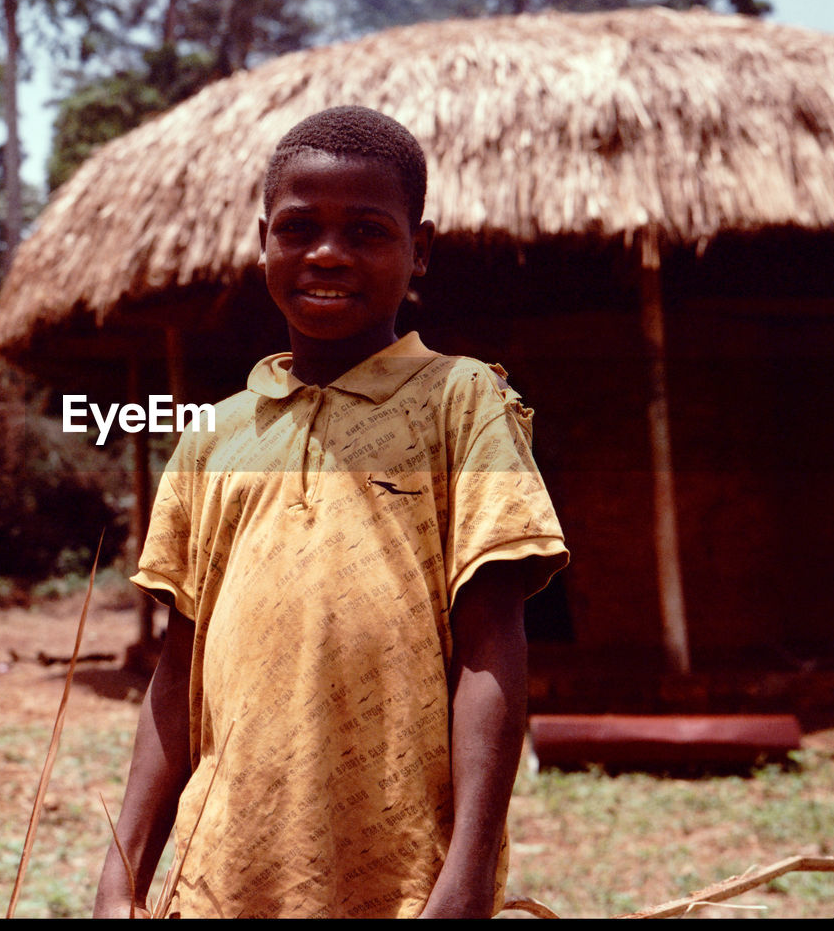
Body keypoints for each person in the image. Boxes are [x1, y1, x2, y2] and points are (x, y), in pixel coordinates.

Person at [92, 106, 569, 918]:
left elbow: (494, 648)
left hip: (401, 873)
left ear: (420, 250)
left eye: (367, 232)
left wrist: (464, 875)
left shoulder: (461, 402)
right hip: (225, 871)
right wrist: (124, 870)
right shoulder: (216, 437)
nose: (327, 254)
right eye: (299, 227)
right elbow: (180, 671)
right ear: (262, 239)